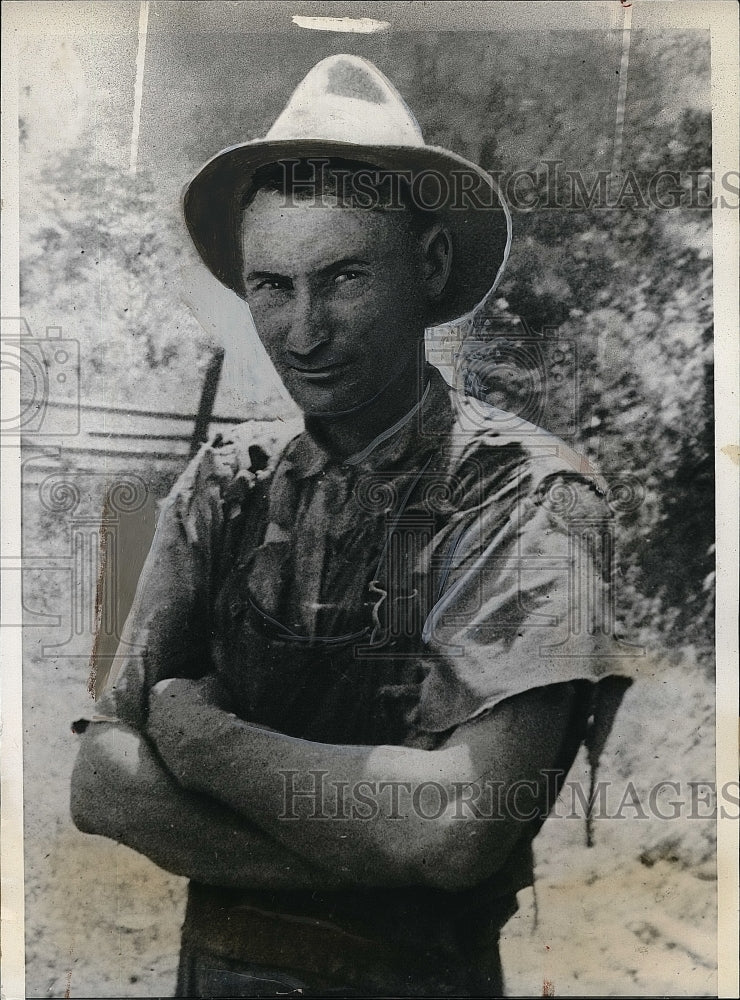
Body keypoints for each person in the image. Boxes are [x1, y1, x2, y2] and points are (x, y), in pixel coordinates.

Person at [70, 55, 631, 997]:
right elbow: (102, 781)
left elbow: (456, 826)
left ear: (431, 268)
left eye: (342, 279)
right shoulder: (223, 486)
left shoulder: (525, 495)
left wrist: (207, 745)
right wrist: (373, 855)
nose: (303, 331)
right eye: (273, 287)